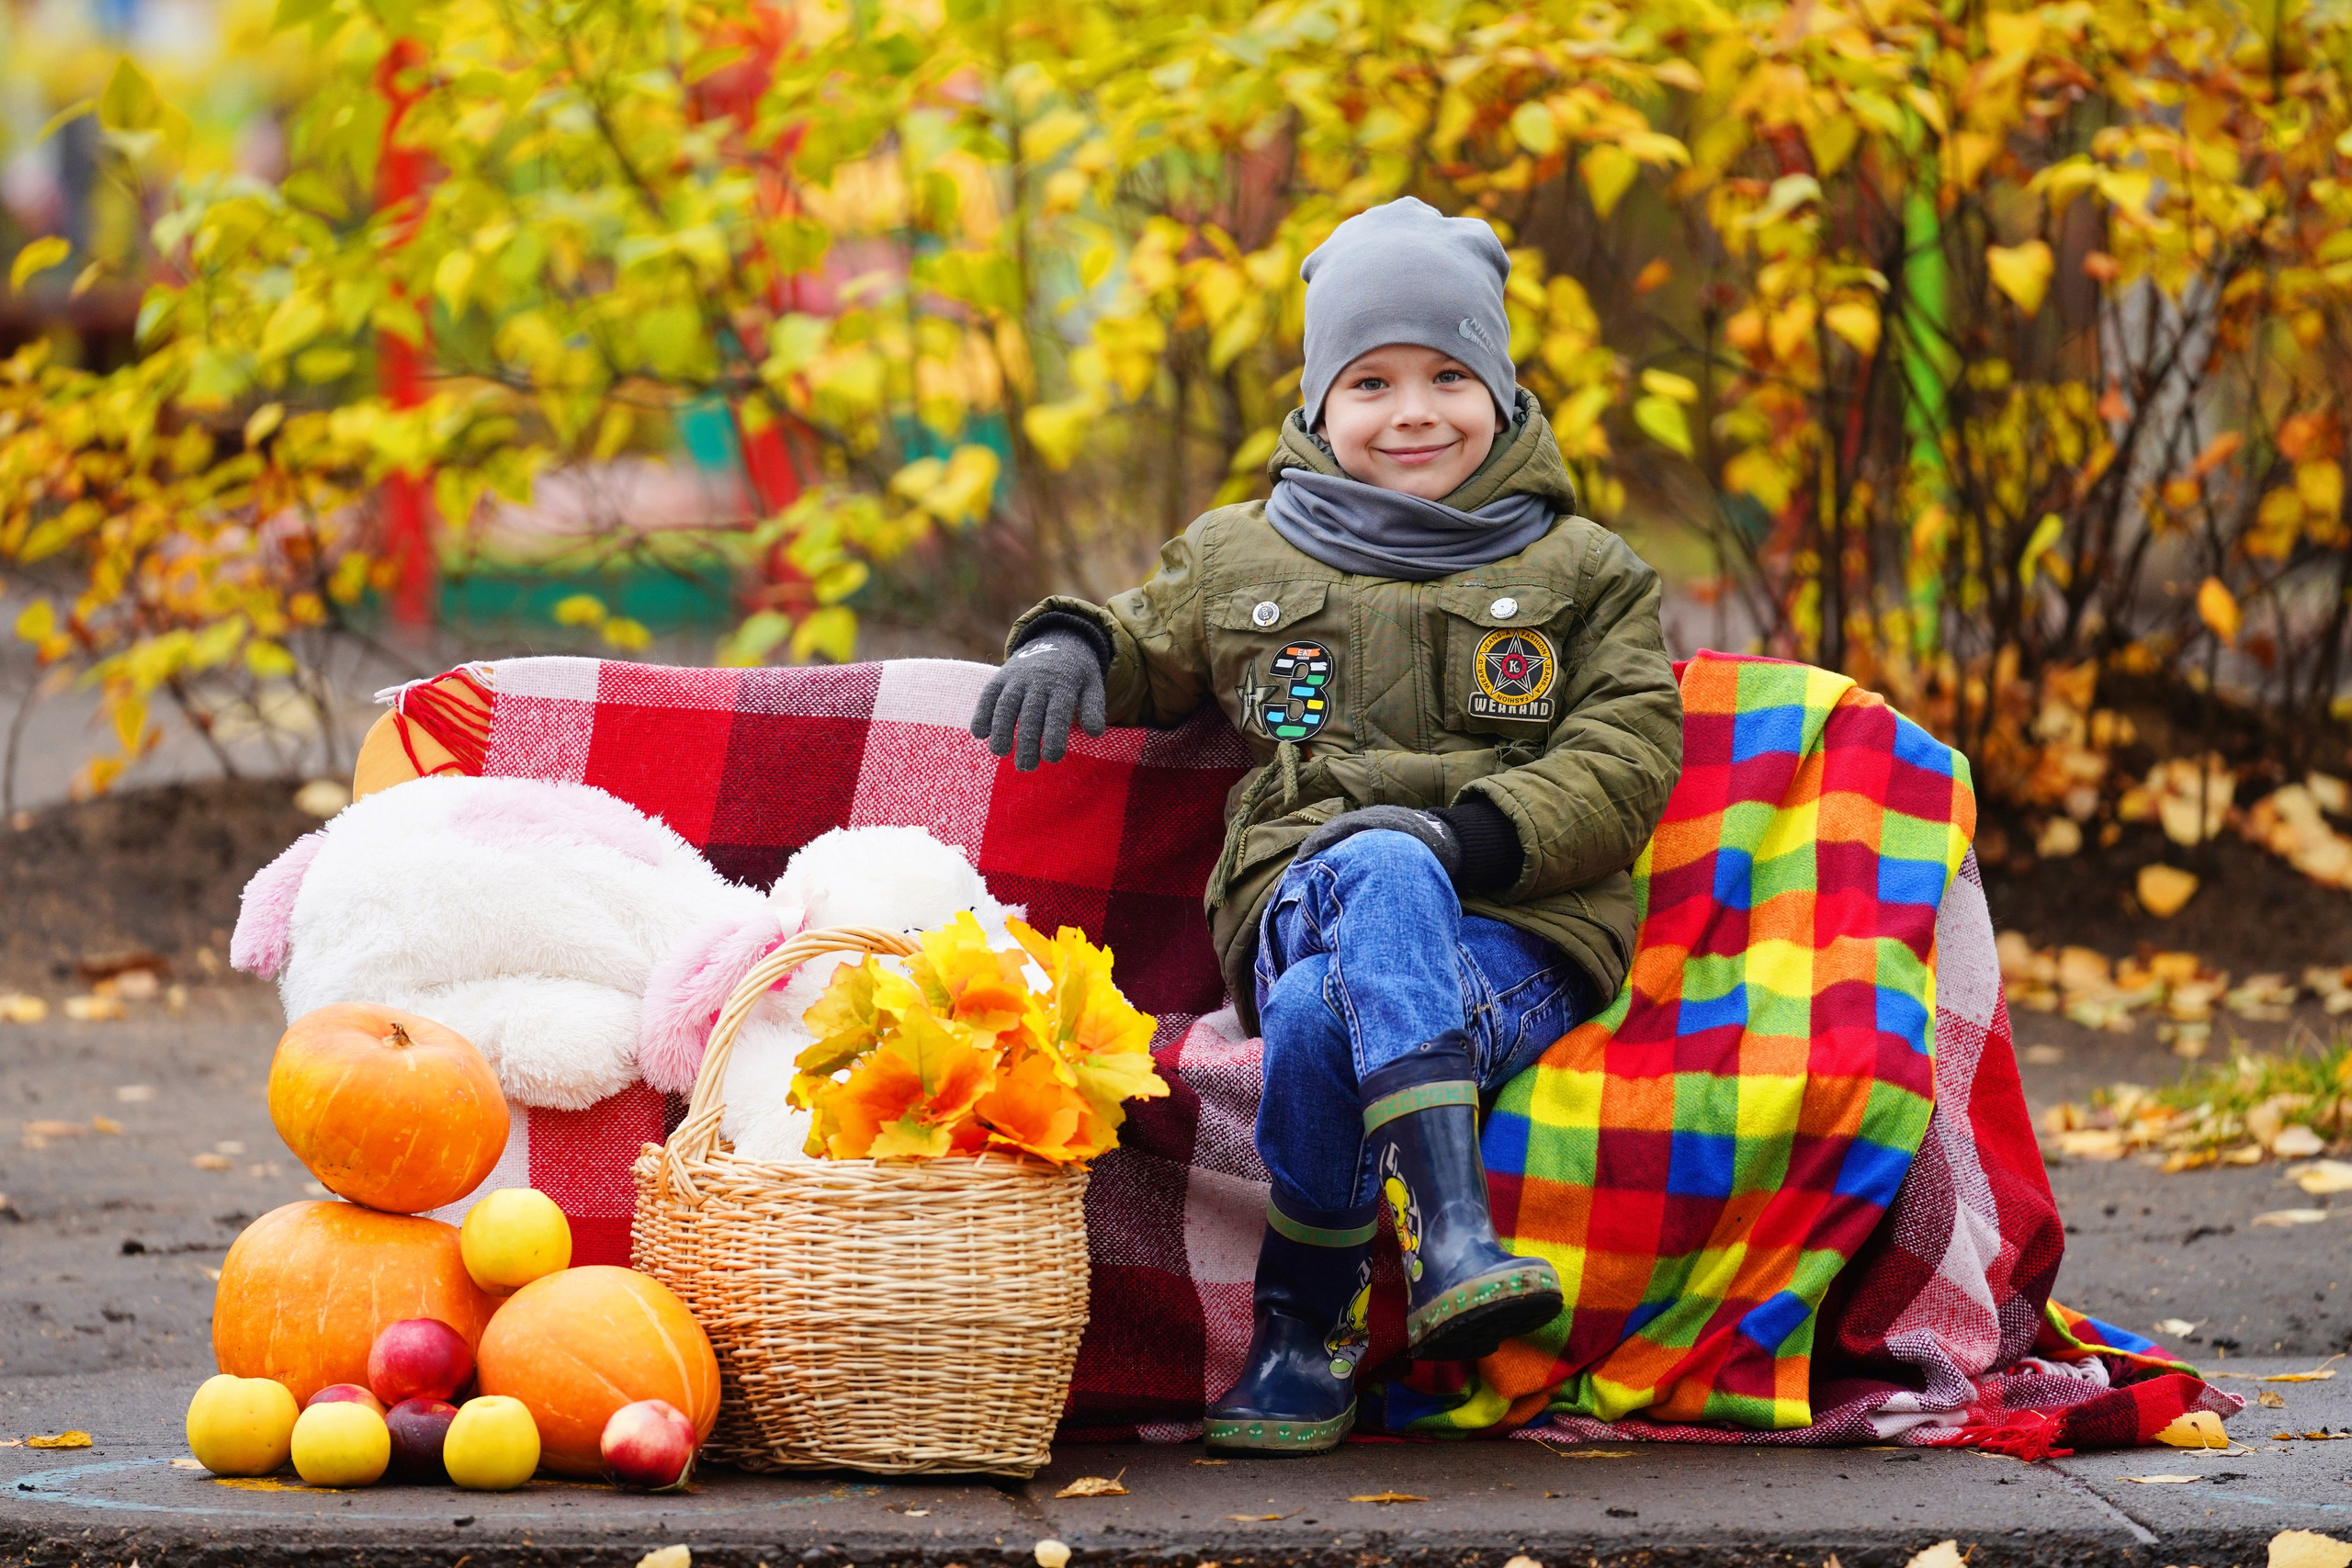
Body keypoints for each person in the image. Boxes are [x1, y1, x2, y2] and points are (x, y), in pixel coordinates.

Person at [970, 197, 1683, 1454]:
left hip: (1514, 932)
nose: (1414, 412)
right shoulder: (1240, 558)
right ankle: (1451, 1231)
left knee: (1314, 1014)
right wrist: (1068, 644)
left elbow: (1626, 754)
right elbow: (1138, 636)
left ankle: (1304, 1331)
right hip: (1301, 898)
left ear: (1500, 388)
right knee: (1368, 869)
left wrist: (1466, 839)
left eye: (1449, 375)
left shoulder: (1585, 570)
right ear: (1320, 401)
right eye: (1372, 382)